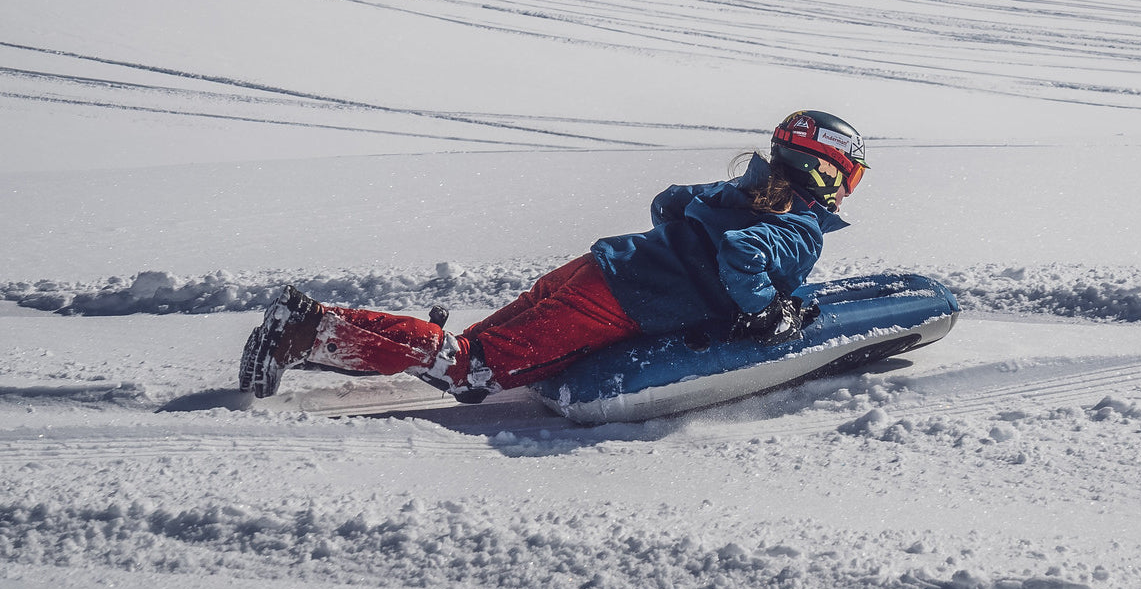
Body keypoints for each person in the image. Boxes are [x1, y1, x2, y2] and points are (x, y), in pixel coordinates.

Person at [239, 110, 868, 404]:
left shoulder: (740, 192)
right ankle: (308, 329)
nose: (846, 191)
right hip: (619, 302)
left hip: (597, 268)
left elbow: (670, 203)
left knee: (469, 350)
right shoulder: (800, 228)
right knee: (471, 369)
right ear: (825, 174)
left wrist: (685, 250)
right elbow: (742, 254)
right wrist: (762, 311)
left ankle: (321, 340)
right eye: (849, 178)